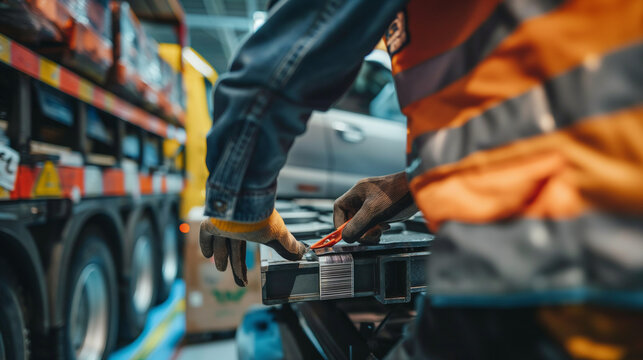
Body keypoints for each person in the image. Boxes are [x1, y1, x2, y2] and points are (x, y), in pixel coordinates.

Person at [199, 0, 643, 358]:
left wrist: (240, 208)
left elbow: (278, 66)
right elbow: (540, 98)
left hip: (537, 250)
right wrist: (410, 184)